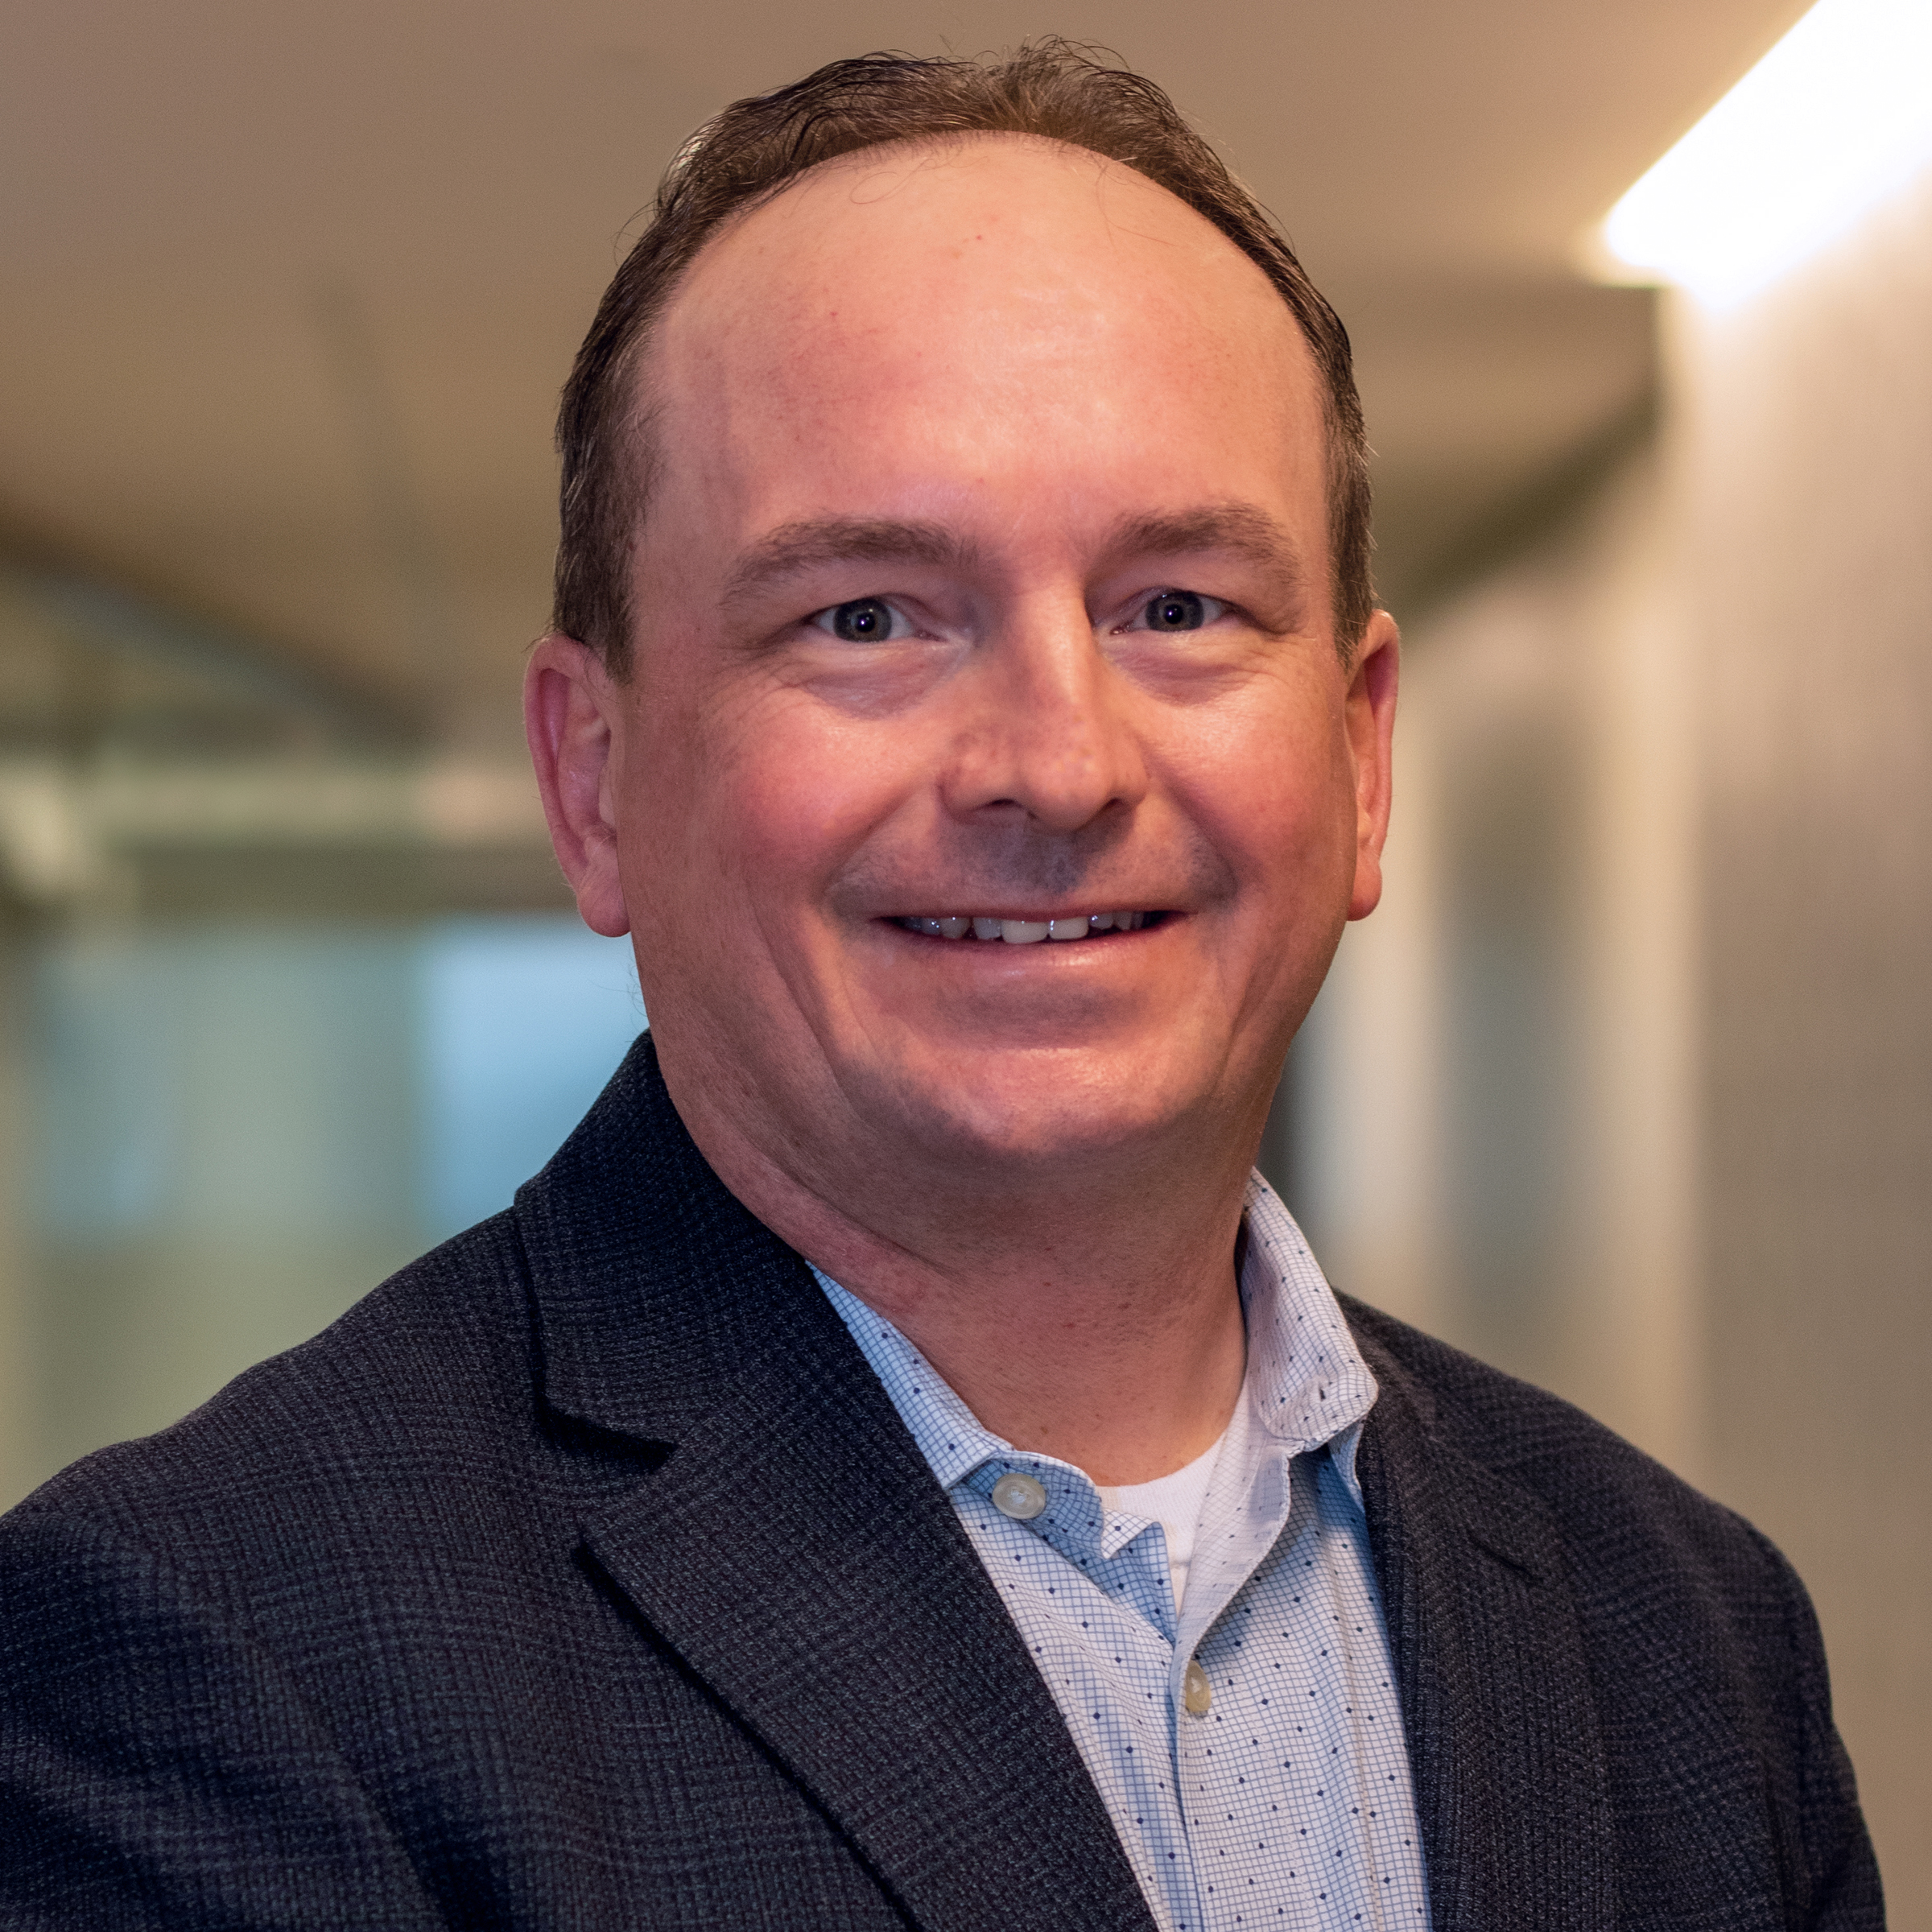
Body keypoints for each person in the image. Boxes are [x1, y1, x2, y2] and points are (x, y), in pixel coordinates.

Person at [0, 43, 1881, 1931]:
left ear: (1364, 758)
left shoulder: (1696, 1643)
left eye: (1178, 609)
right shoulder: (218, 1656)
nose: (1058, 766)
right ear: (592, 782)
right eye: (868, 619)